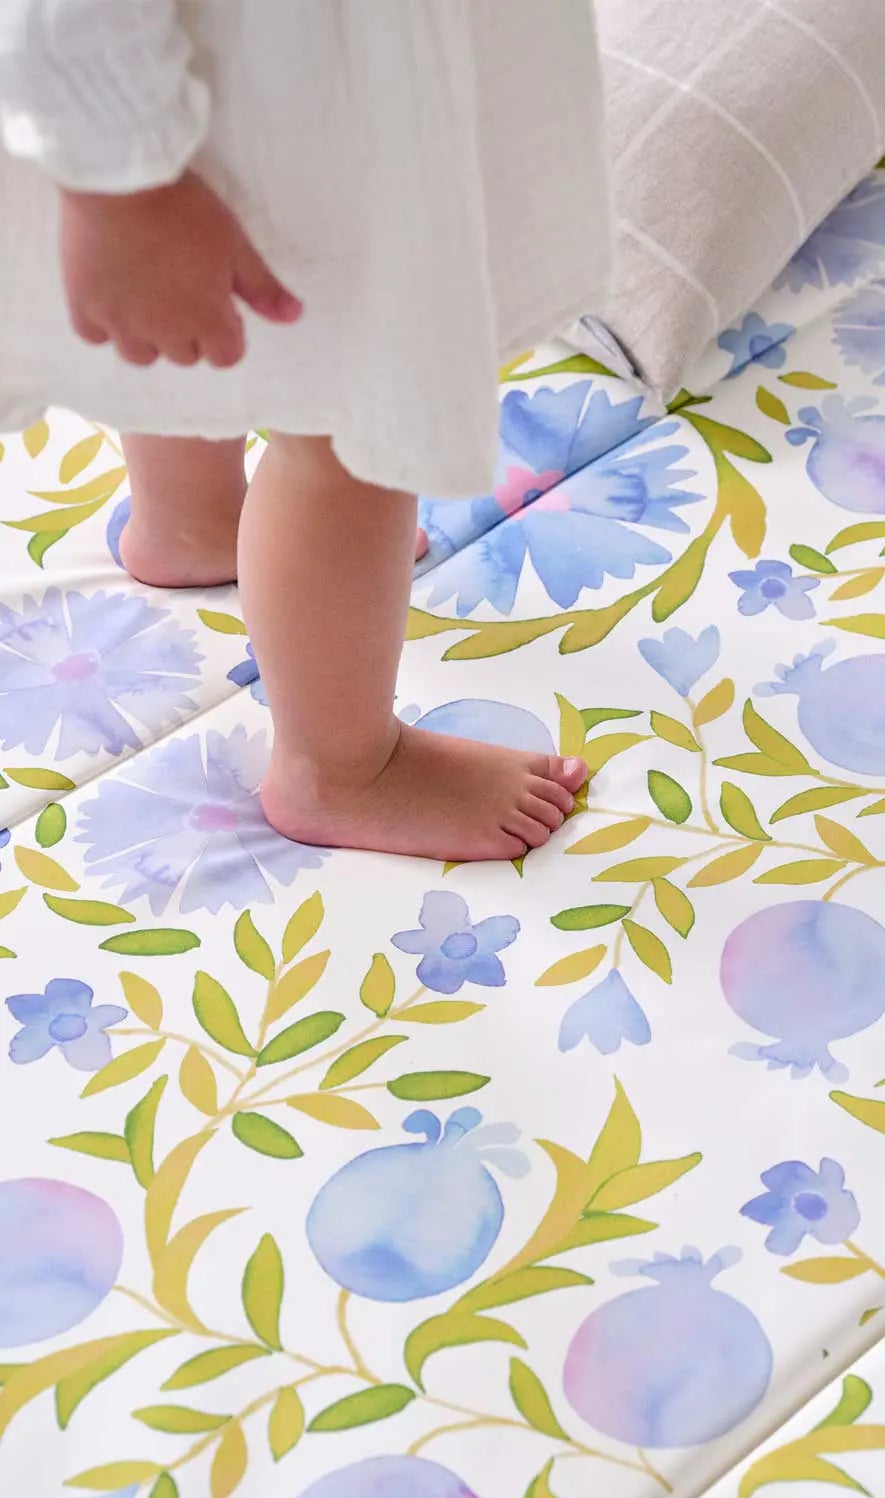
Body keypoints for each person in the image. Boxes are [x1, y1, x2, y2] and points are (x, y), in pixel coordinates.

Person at [0, 0, 613, 860]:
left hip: (215, 89)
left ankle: (189, 523)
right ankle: (342, 768)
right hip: (271, 100)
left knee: (194, 303)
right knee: (349, 415)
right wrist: (121, 175)